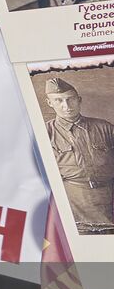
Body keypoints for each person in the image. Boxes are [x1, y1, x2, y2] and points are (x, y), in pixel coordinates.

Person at [44, 77, 114, 235]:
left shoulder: (104, 127)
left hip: (108, 201)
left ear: (79, 100)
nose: (66, 106)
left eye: (70, 99)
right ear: (49, 103)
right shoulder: (45, 133)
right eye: (59, 101)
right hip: (75, 205)